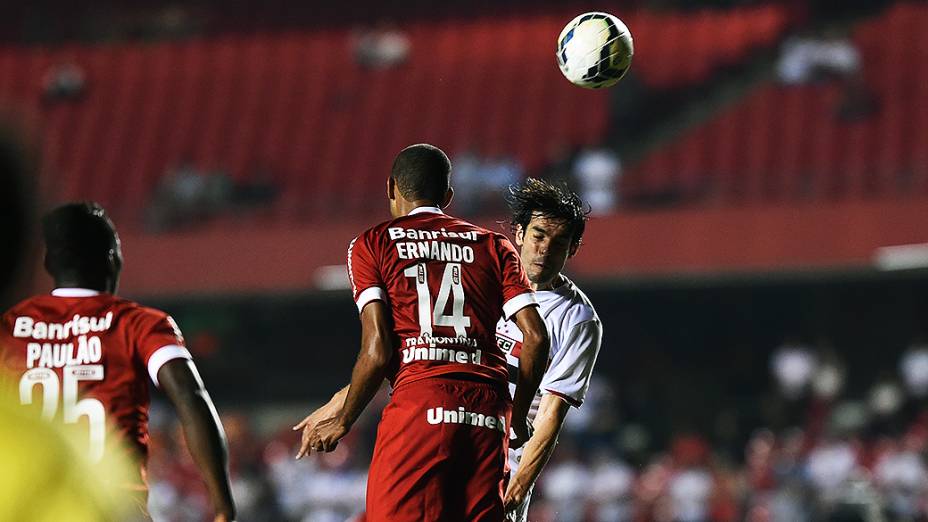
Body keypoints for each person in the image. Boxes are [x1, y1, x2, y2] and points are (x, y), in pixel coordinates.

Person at [294, 144, 550, 521]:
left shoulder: (373, 244)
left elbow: (378, 350)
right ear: (448, 195)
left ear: (390, 188)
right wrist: (517, 414)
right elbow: (537, 338)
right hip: (488, 412)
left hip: (420, 404)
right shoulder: (494, 245)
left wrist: (345, 419)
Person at [0, 202, 236, 521]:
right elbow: (188, 394)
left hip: (25, 508)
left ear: (48, 262)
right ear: (112, 258)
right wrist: (222, 505)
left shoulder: (9, 327)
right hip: (112, 507)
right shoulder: (138, 324)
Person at [496, 178, 603, 521]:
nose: (545, 249)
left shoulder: (577, 319)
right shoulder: (484, 283)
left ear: (572, 250)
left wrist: (518, 484)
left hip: (502, 463)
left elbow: (550, 414)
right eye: (539, 236)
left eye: (559, 242)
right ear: (519, 234)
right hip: (450, 442)